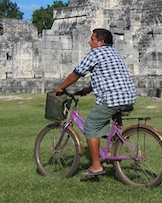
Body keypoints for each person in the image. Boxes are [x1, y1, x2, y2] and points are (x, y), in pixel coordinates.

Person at [54, 28, 137, 179]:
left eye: (92, 39)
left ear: (101, 42)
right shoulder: (114, 53)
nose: (89, 42)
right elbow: (110, 76)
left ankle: (96, 166)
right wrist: (89, 88)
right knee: (106, 123)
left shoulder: (95, 53)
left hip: (113, 97)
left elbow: (76, 73)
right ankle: (113, 150)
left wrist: (61, 87)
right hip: (128, 95)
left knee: (91, 125)